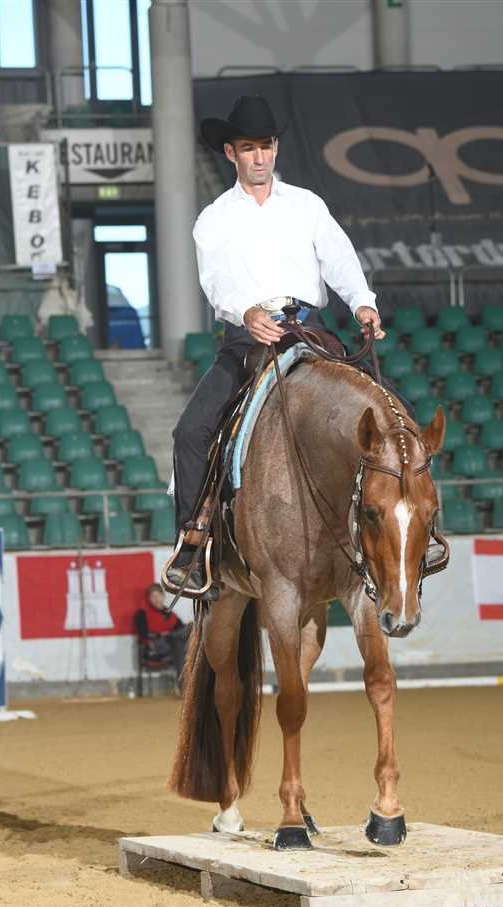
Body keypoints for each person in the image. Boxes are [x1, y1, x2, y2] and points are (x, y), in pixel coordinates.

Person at [167, 93, 387, 596]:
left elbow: (339, 258)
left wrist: (362, 302)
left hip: (311, 330)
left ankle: (408, 529)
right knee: (191, 432)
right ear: (231, 153)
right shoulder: (214, 218)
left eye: (265, 146)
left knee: (393, 412)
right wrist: (245, 310)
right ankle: (195, 544)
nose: (259, 157)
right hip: (248, 336)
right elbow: (217, 280)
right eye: (248, 148)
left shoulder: (307, 205)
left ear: (276, 148)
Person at [134, 583, 188, 688]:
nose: (156, 599)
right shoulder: (142, 614)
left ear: (163, 596)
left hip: (174, 645)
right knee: (179, 643)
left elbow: (182, 630)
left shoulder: (170, 614)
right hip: (157, 646)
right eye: (153, 596)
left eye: (158, 595)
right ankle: (185, 684)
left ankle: (185, 683)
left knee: (187, 632)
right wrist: (160, 635)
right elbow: (143, 636)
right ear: (149, 599)